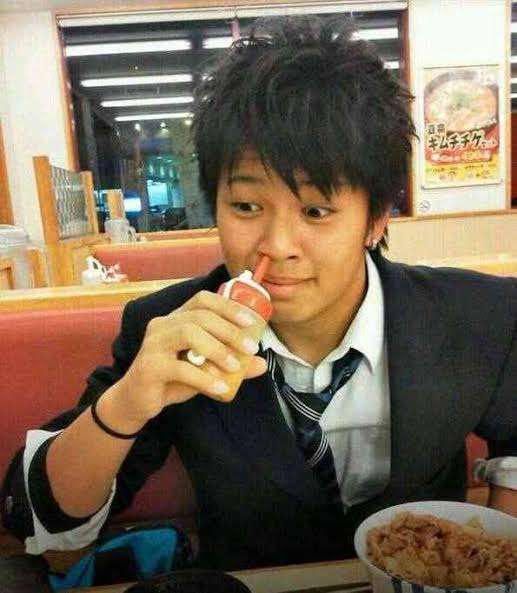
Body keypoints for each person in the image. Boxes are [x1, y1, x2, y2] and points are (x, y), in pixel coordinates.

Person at [2, 16, 516, 575]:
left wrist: (492, 559)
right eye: (246, 207)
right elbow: (44, 528)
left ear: (375, 219)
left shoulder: (478, 316)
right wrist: (128, 402)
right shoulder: (170, 327)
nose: (276, 245)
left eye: (316, 211)